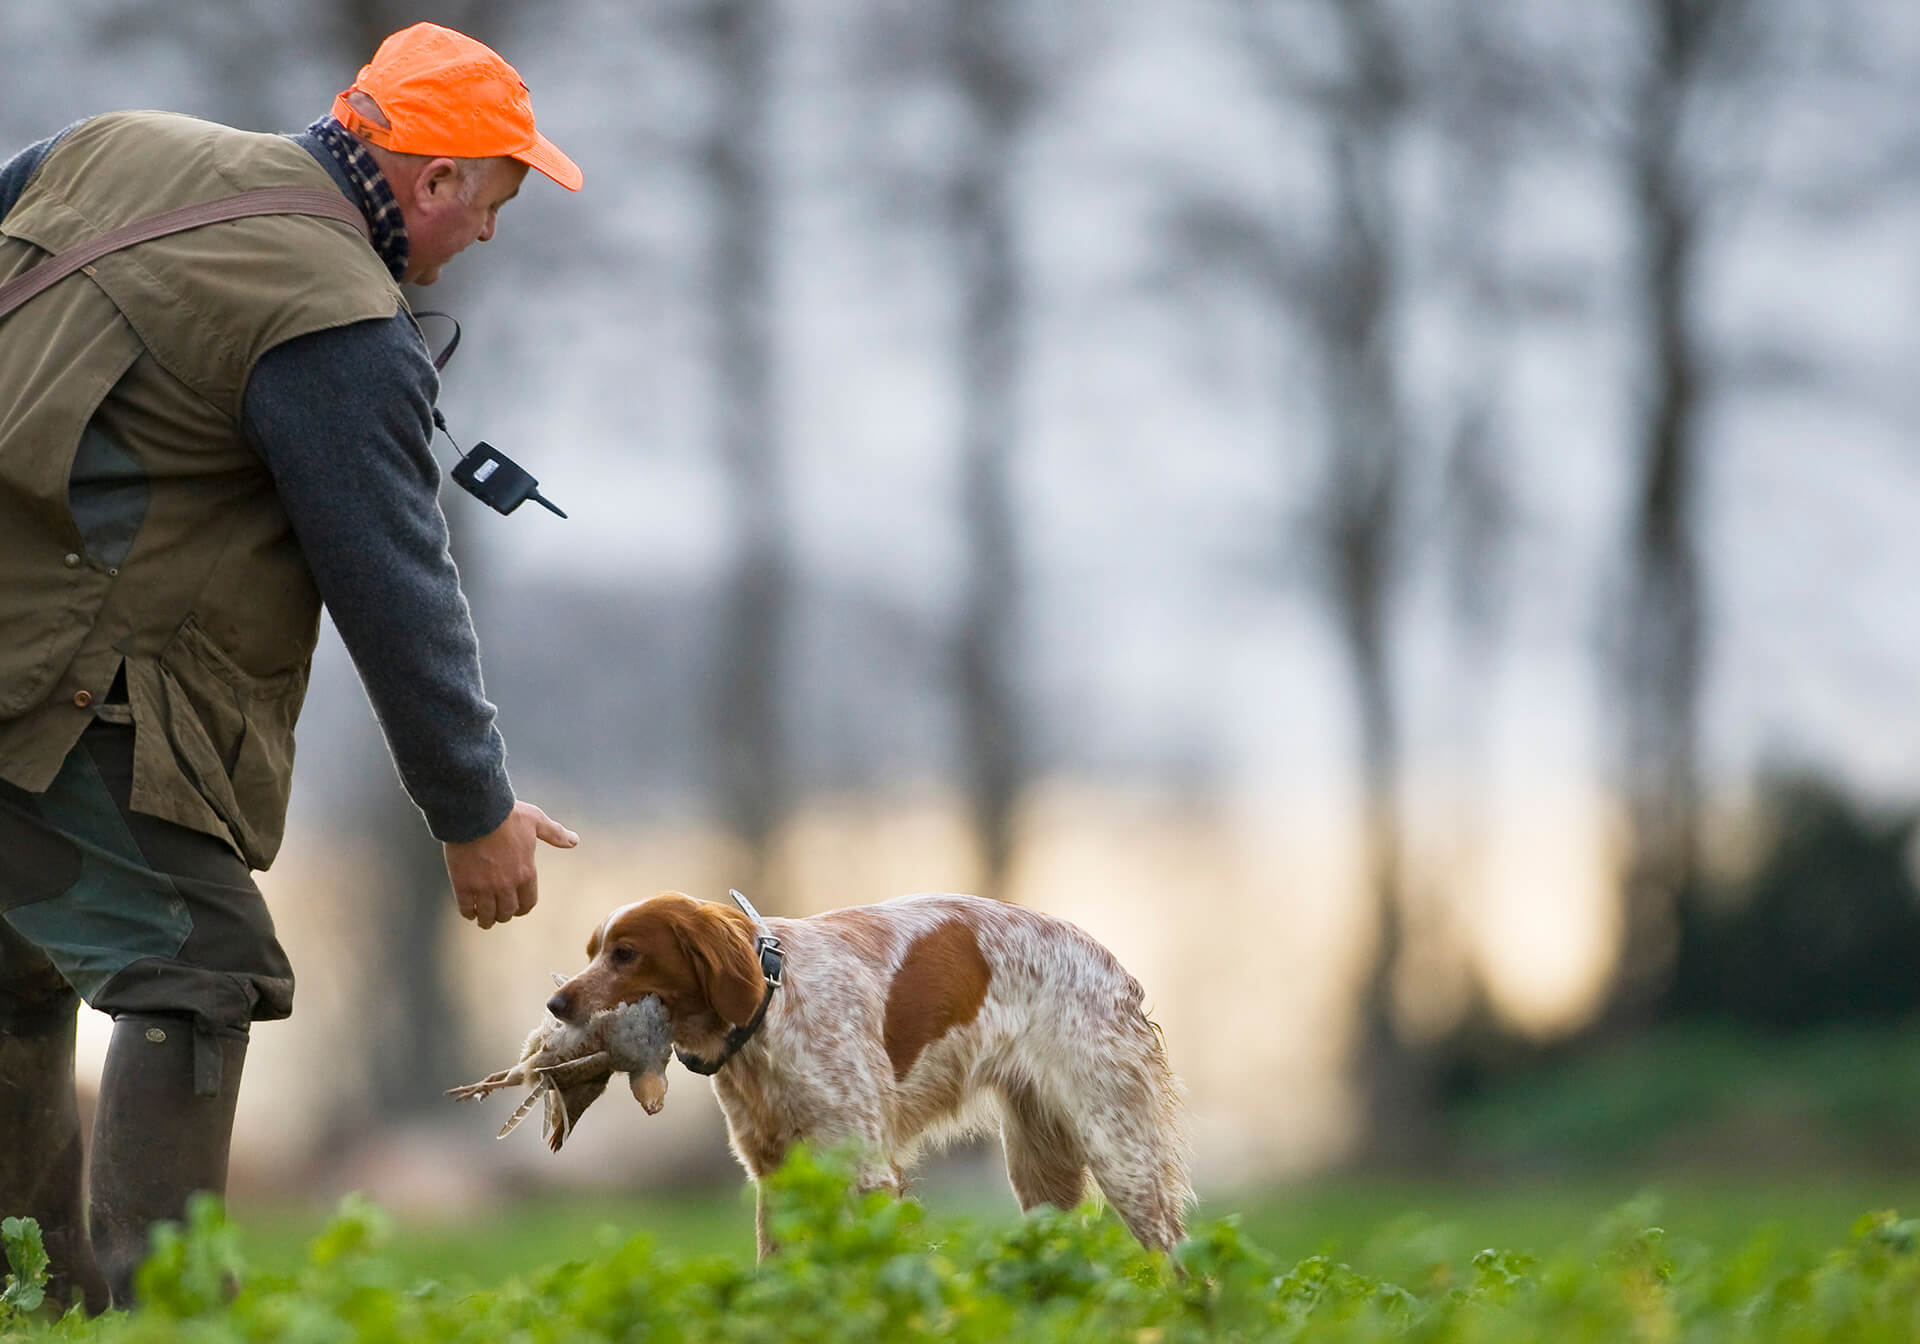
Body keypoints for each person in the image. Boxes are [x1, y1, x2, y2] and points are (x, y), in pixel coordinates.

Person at [0, 22, 582, 1312]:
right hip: (52, 695)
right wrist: (473, 812)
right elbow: (397, 592)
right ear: (432, 180)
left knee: (21, 964)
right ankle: (164, 1321)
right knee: (193, 968)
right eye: (490, 201)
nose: (486, 234)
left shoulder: (108, 148)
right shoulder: (338, 329)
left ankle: (28, 1310)